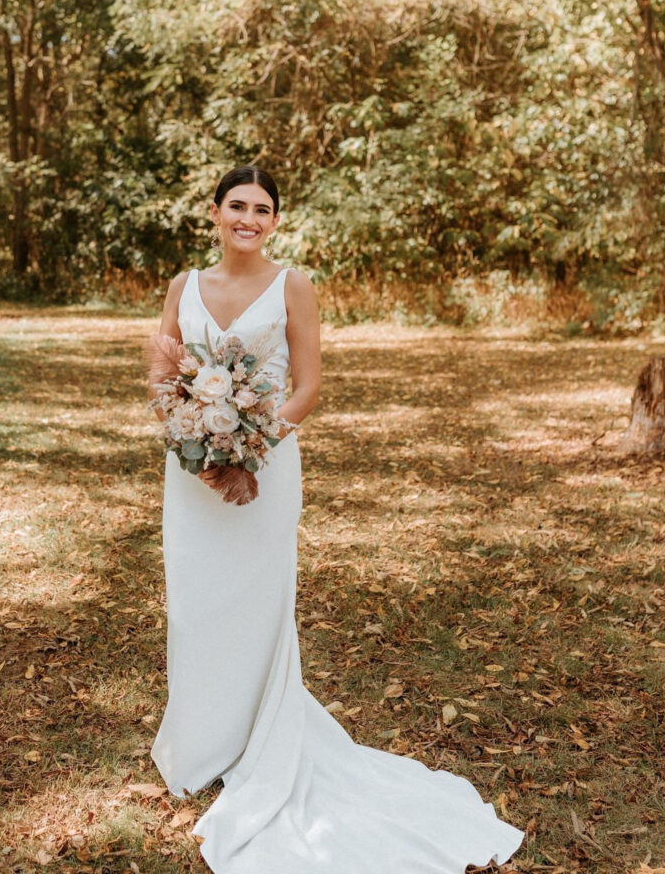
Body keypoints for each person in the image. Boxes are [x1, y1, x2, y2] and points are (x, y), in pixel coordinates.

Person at [148, 165, 525, 873]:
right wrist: (195, 434)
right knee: (196, 606)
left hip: (266, 466)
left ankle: (258, 741)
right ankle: (202, 740)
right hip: (192, 472)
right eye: (237, 206)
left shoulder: (293, 284)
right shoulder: (183, 286)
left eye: (262, 209)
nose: (249, 219)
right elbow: (163, 375)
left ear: (276, 222)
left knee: (258, 606)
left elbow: (309, 385)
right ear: (214, 211)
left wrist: (250, 449)